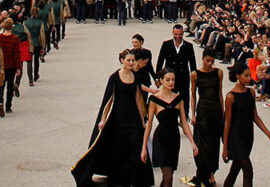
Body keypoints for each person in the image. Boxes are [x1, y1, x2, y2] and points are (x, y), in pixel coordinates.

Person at [72, 49, 154, 186]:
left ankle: (133, 179)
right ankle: (118, 179)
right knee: (119, 150)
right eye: (128, 60)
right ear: (122, 60)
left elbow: (138, 100)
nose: (131, 62)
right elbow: (107, 99)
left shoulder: (135, 77)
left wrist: (142, 120)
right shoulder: (115, 77)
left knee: (135, 148)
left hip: (133, 118)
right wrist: (102, 120)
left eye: (133, 60)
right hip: (118, 119)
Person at [220, 62, 270, 187]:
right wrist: (225, 147)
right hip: (235, 137)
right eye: (246, 75)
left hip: (247, 135)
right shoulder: (230, 97)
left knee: (235, 169)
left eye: (249, 75)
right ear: (238, 76)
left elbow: (255, 117)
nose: (249, 78)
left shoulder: (251, 92)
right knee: (248, 169)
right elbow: (227, 122)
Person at [142, 69, 197, 187]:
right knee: (168, 178)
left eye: (173, 79)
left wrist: (193, 143)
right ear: (161, 81)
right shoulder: (154, 99)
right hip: (160, 139)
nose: (171, 82)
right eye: (168, 80)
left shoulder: (178, 99)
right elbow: (149, 124)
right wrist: (144, 147)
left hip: (174, 140)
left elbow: (184, 123)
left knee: (167, 177)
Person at [188, 50, 223, 187]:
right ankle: (203, 173)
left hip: (215, 110)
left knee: (214, 143)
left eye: (212, 61)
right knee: (202, 143)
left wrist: (223, 112)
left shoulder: (218, 72)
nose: (209, 64)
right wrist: (193, 113)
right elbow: (192, 95)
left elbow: (220, 93)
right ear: (202, 59)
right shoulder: (195, 74)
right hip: (202, 110)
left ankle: (212, 173)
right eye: (207, 61)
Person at [157, 25, 197, 115]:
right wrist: (158, 78)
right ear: (172, 33)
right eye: (176, 34)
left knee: (185, 98)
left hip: (183, 77)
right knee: (169, 97)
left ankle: (184, 116)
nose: (178, 36)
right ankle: (170, 115)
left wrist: (194, 77)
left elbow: (192, 64)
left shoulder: (189, 46)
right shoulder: (166, 44)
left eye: (180, 34)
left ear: (183, 33)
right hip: (170, 77)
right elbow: (160, 62)